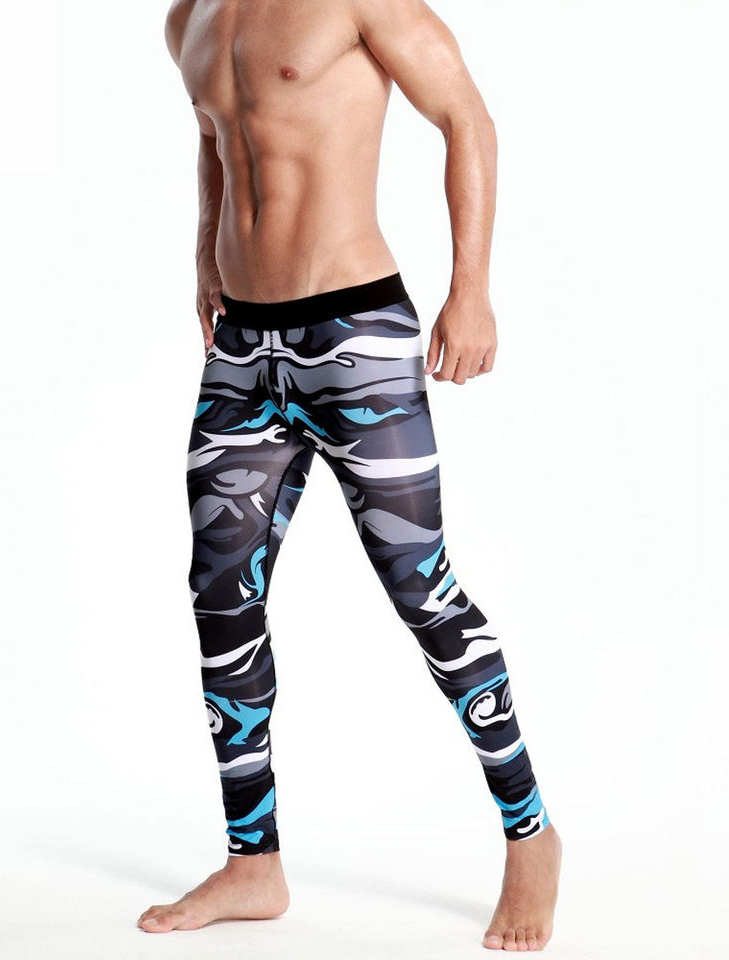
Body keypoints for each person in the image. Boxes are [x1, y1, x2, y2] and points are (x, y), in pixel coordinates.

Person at [139, 0, 563, 951]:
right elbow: (217, 138)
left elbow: (466, 116)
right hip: (243, 351)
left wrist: (471, 289)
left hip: (355, 337)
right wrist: (206, 249)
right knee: (221, 598)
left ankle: (530, 834)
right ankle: (253, 862)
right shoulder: (189, 17)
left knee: (423, 589)